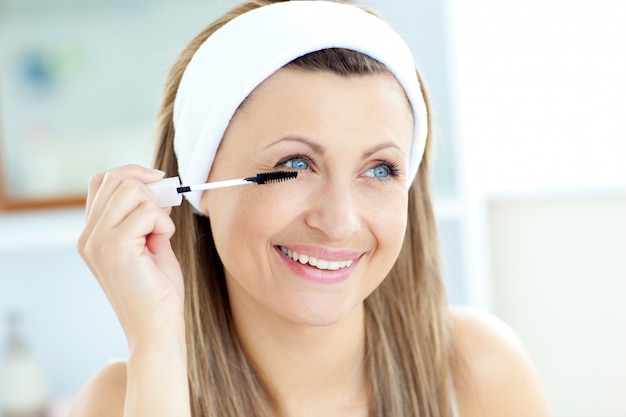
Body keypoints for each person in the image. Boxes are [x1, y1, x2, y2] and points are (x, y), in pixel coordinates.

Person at [70, 1, 550, 416]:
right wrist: (157, 344)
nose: (339, 222)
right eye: (295, 164)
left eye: (380, 170)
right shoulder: (120, 402)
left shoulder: (479, 371)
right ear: (202, 183)